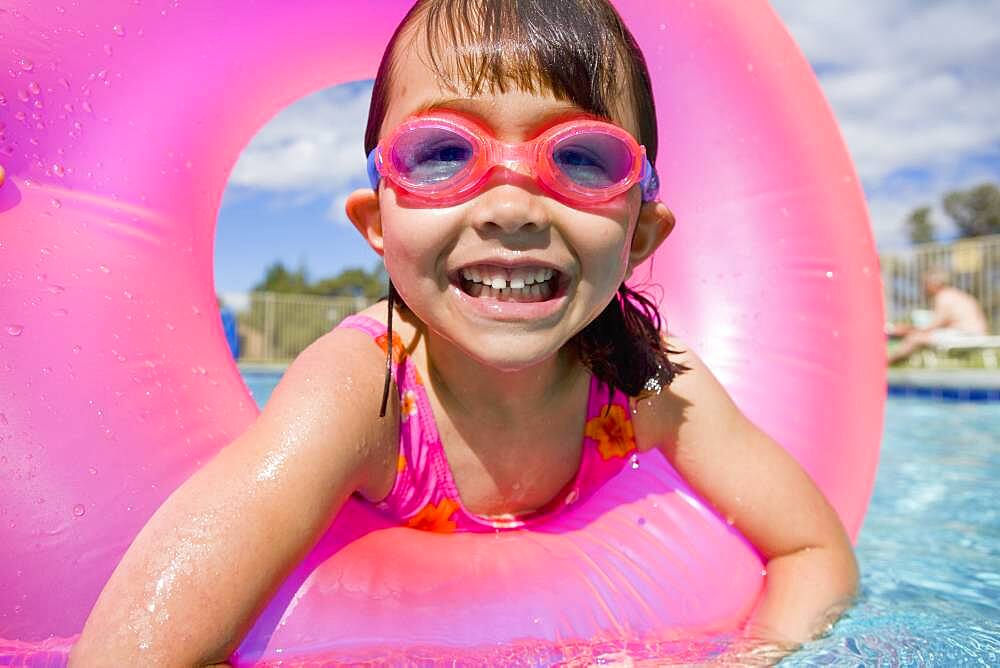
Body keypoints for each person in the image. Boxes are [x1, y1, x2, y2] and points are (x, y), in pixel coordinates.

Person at [70, 1, 858, 664]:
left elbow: (815, 553)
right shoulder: (363, 394)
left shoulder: (649, 384)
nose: (511, 207)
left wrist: (759, 653)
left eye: (581, 159)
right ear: (377, 224)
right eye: (444, 152)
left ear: (641, 234)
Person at [887, 269, 989, 366]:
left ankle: (885, 363)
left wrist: (906, 330)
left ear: (934, 284)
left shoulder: (943, 297)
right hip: (977, 334)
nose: (923, 288)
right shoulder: (958, 295)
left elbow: (934, 325)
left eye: (925, 284)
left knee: (915, 338)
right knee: (919, 336)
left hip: (964, 335)